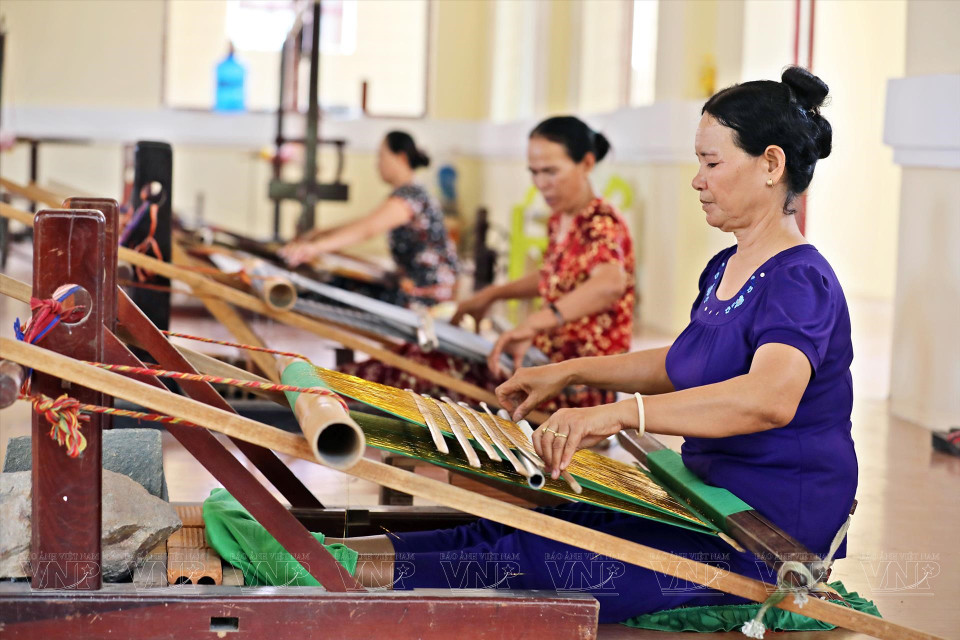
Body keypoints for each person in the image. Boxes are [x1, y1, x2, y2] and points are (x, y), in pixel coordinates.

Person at [330, 67, 856, 624]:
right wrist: (569, 371)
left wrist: (619, 415)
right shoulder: (726, 266)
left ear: (771, 164)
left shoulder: (800, 281)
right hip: (708, 500)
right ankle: (311, 562)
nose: (697, 180)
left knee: (529, 562)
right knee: (514, 531)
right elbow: (682, 363)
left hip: (764, 533)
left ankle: (321, 577)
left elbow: (768, 398)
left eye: (712, 163)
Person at [342, 116, 635, 408]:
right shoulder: (561, 218)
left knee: (428, 368)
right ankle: (326, 391)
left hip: (573, 387)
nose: (541, 184)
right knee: (413, 353)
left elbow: (609, 284)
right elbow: (554, 275)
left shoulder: (600, 224)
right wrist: (493, 293)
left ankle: (338, 401)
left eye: (551, 172)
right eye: (534, 172)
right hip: (539, 363)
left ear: (586, 163)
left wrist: (534, 323)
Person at [279, 131, 458, 306]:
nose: (377, 164)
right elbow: (366, 222)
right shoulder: (411, 193)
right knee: (336, 284)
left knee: (335, 291)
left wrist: (312, 248)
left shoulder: (411, 197)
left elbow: (367, 229)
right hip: (417, 283)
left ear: (401, 158)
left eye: (381, 156)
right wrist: (320, 233)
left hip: (427, 292)